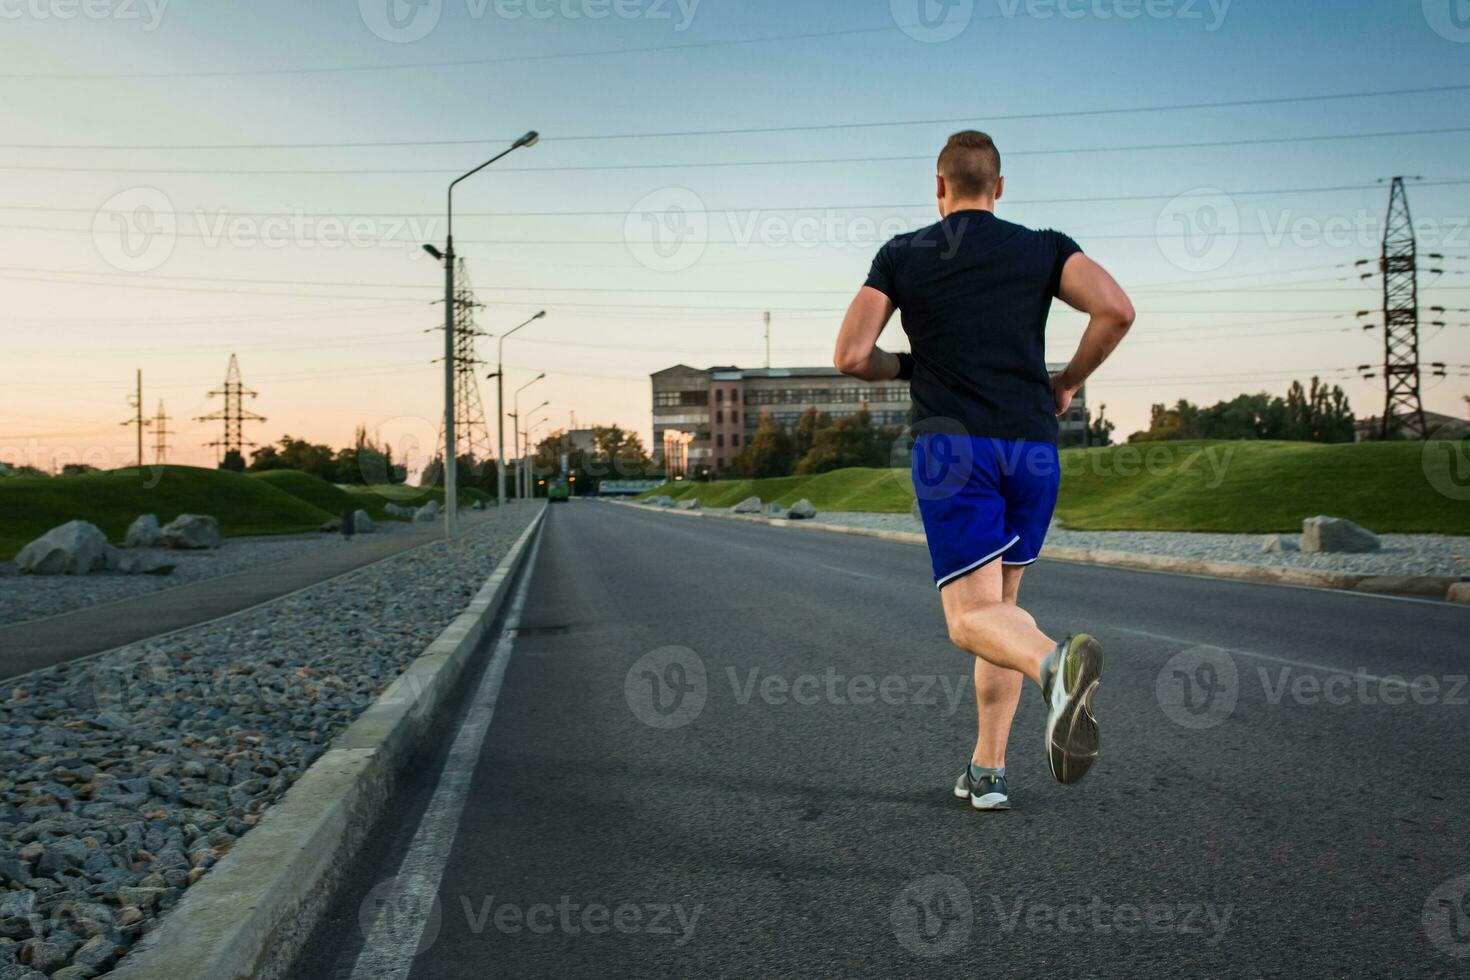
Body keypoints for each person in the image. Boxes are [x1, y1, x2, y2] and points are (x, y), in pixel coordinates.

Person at [833, 130, 1135, 809]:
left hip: (954, 452)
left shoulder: (904, 253)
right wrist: (1067, 381)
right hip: (1031, 449)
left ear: (939, 188)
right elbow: (1116, 310)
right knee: (1001, 613)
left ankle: (1054, 667)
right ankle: (987, 771)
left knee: (969, 620)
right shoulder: (1044, 246)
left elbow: (852, 354)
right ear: (998, 188)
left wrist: (909, 365)